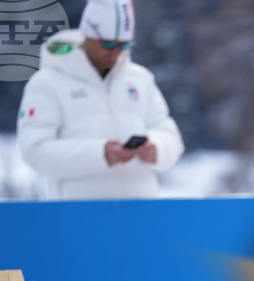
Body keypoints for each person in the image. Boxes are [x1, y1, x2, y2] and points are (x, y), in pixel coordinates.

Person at [17, 0, 184, 200]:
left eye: (124, 45)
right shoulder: (47, 83)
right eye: (108, 44)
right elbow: (35, 152)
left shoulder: (140, 79)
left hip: (140, 214)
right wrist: (100, 154)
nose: (115, 52)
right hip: (79, 216)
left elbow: (170, 135)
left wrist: (156, 148)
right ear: (88, 34)